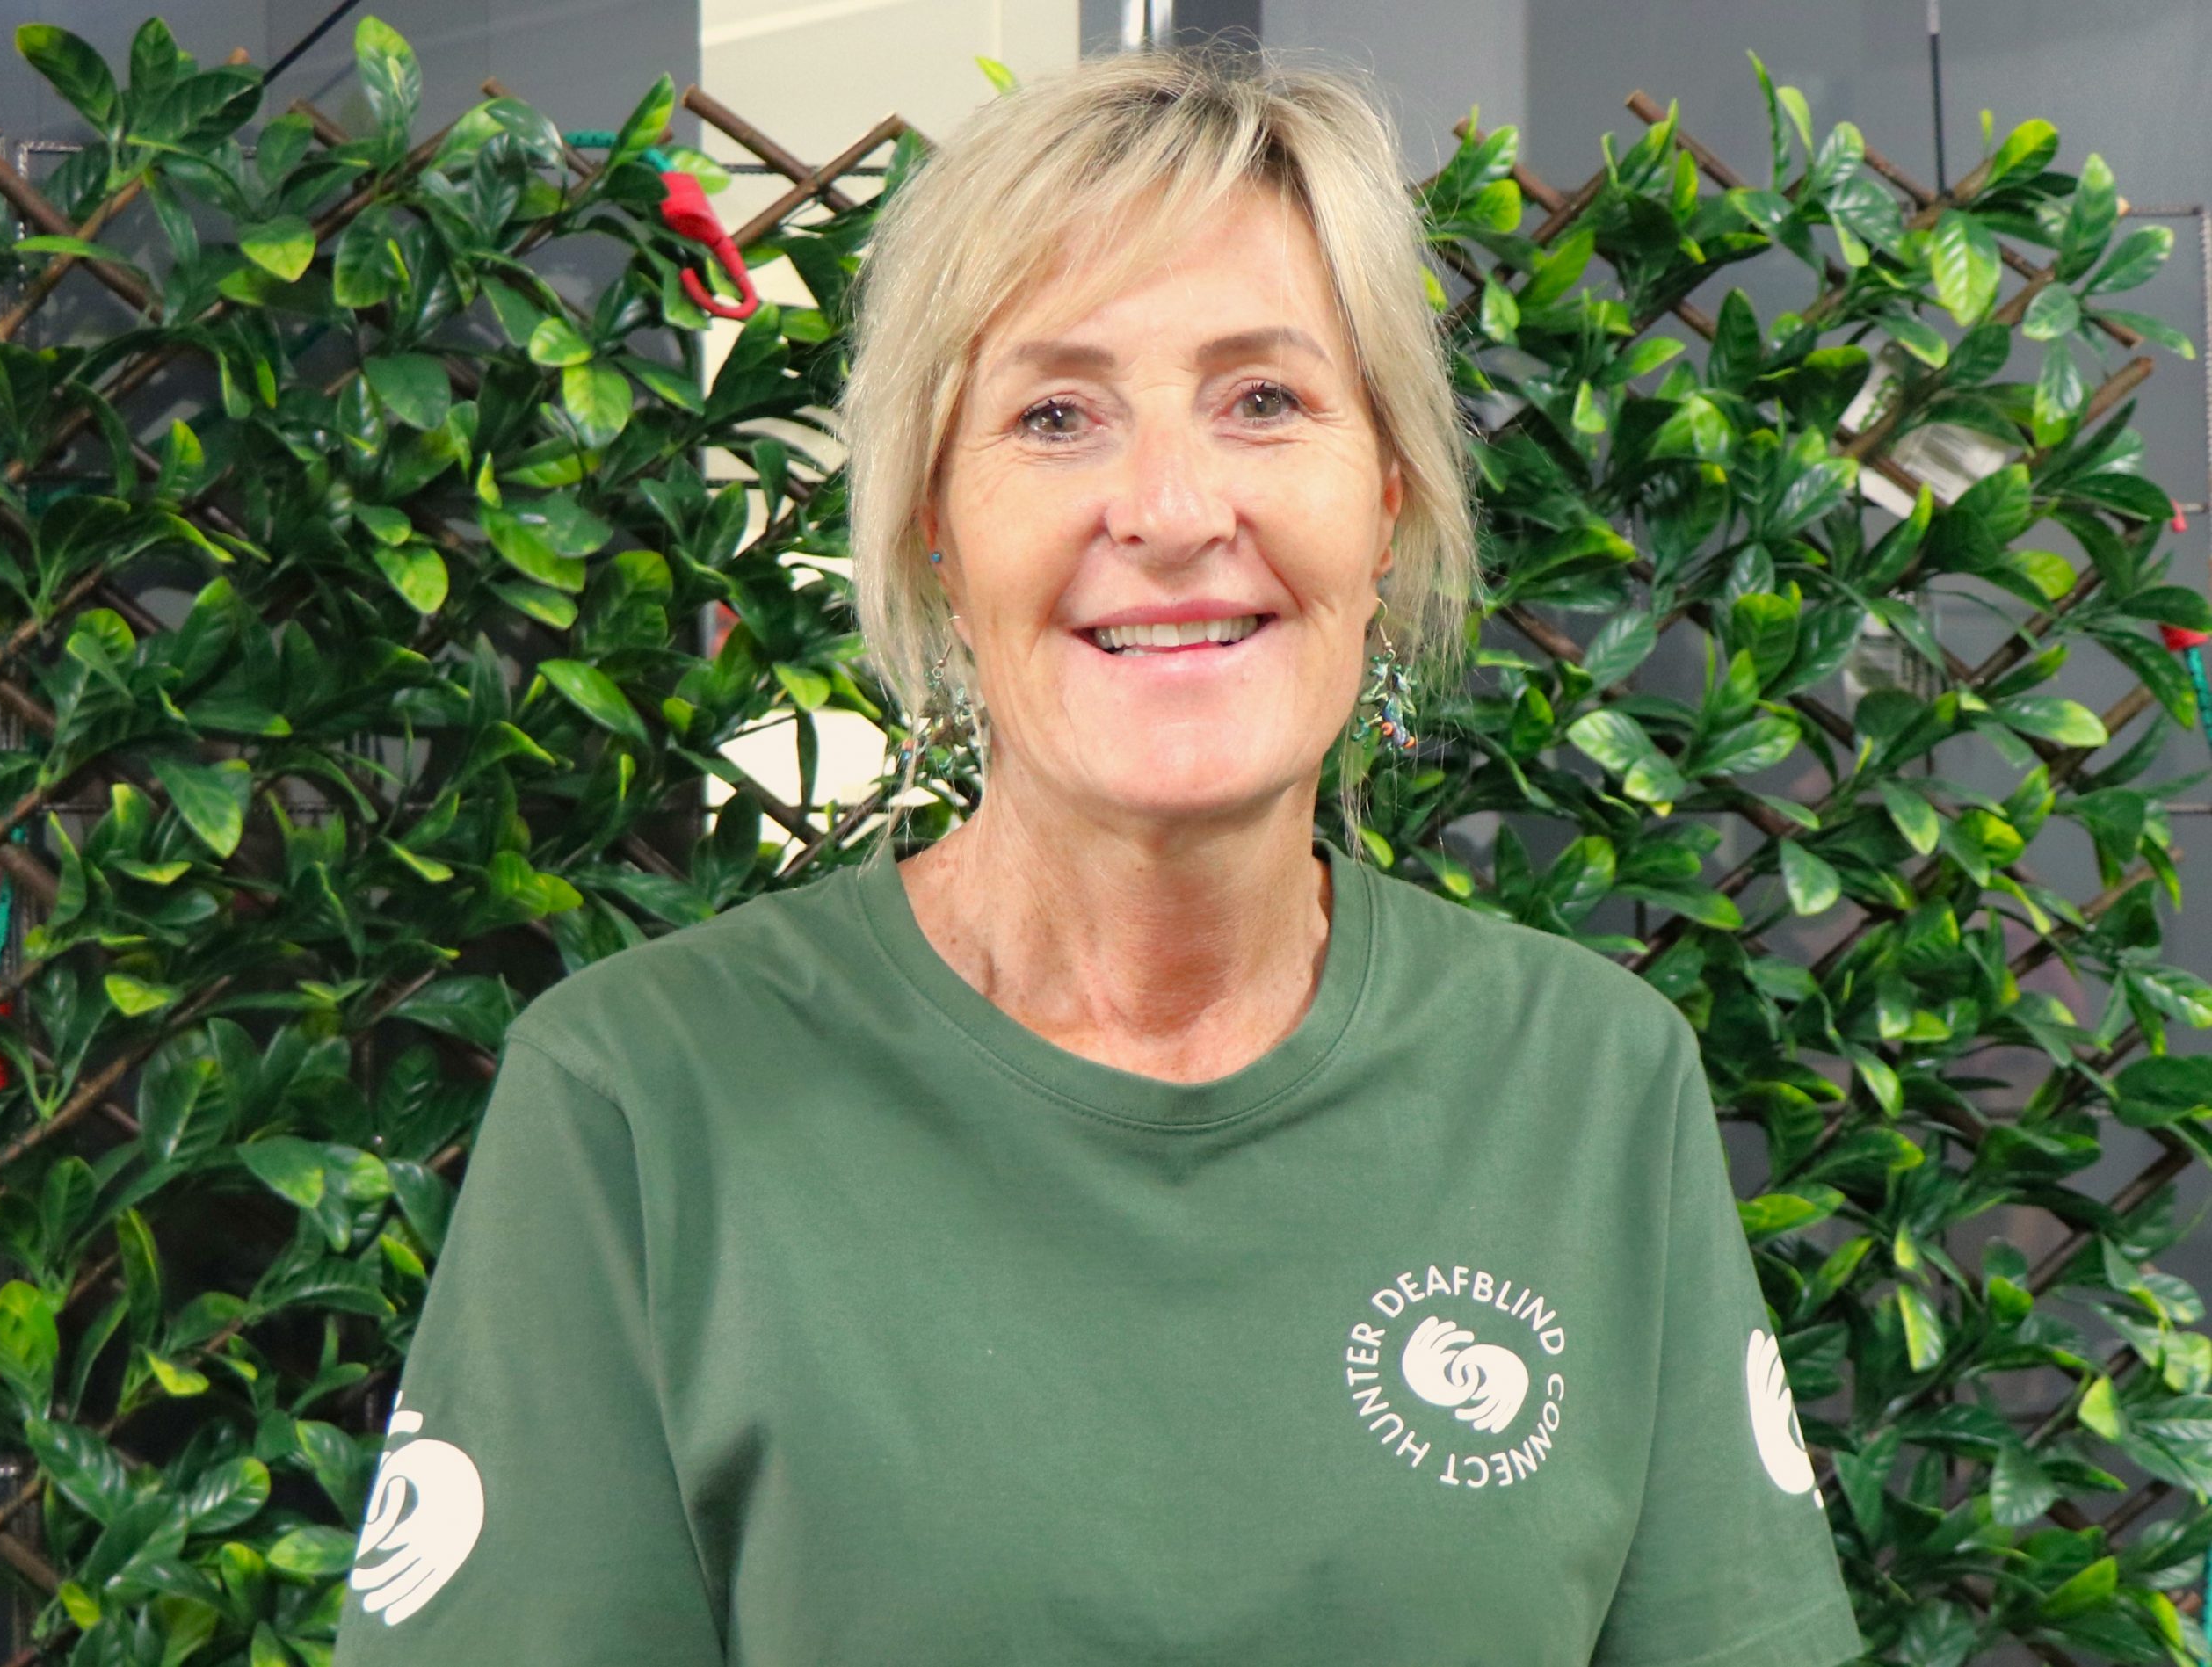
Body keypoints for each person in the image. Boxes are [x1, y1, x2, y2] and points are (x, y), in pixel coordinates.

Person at [331, 43, 1864, 1667]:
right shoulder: (641, 1102)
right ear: (935, 520)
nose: (1170, 505)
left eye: (1264, 399)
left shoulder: (1592, 1086)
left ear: (1391, 496)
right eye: (1056, 414)